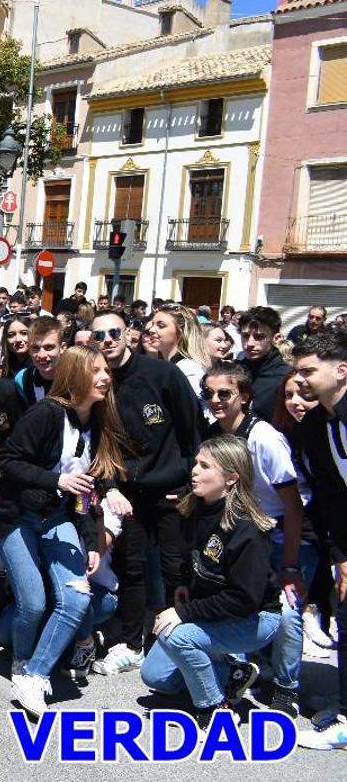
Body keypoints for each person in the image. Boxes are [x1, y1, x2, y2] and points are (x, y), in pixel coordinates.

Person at [0, 344, 130, 718]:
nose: (105, 377)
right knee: (33, 603)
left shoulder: (98, 421)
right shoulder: (46, 414)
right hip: (16, 516)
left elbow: (83, 490)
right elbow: (9, 462)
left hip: (58, 518)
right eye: (96, 370)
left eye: (106, 370)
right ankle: (22, 663)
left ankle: (35, 675)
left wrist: (90, 542)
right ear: (76, 376)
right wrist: (57, 480)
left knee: (77, 598)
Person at [86, 310, 204, 676]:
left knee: (175, 569)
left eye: (114, 331)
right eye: (99, 334)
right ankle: (133, 643)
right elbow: (97, 446)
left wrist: (191, 485)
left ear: (128, 333)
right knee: (132, 569)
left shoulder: (163, 374)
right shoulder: (98, 384)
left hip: (171, 490)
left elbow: (193, 431)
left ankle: (180, 642)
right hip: (127, 494)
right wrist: (110, 488)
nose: (107, 339)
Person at [139, 436, 280, 728]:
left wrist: (182, 613)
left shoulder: (247, 528)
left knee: (175, 636)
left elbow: (244, 599)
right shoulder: (195, 509)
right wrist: (183, 587)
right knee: (154, 678)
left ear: (231, 478)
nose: (194, 471)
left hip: (255, 618)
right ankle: (232, 672)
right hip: (215, 610)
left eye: (205, 466)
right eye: (195, 463)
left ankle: (213, 708)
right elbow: (198, 562)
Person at [201, 361, 308, 715]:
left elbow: (293, 507)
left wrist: (291, 565)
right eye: (209, 393)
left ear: (244, 396)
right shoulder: (213, 433)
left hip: (273, 532)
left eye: (224, 393)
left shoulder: (264, 438)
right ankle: (237, 670)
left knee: (287, 610)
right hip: (234, 532)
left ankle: (287, 688)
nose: (215, 400)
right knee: (234, 604)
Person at [289, 331, 347, 749]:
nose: (301, 380)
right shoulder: (313, 425)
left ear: (341, 370)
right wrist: (341, 554)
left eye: (309, 371)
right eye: (297, 372)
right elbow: (329, 493)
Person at [239, 306, 290, 422]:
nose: (250, 343)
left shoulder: (286, 377)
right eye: (245, 336)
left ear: (276, 338)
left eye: (259, 337)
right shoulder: (236, 370)